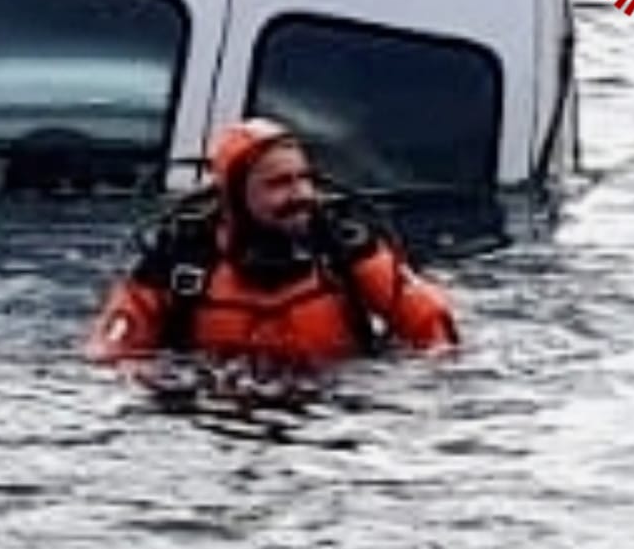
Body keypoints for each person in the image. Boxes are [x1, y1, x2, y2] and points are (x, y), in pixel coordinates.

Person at [86, 117, 458, 375]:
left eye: (304, 179)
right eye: (278, 183)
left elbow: (435, 331)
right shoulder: (179, 262)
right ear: (234, 196)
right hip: (209, 425)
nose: (301, 195)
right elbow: (112, 354)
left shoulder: (345, 249)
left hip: (329, 415)